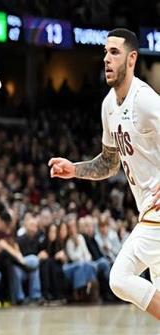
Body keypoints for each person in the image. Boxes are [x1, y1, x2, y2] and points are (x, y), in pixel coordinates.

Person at [49, 28, 160, 318]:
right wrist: (75, 169)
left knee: (120, 278)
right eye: (104, 52)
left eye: (114, 52)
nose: (106, 59)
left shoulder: (145, 100)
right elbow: (110, 163)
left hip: (157, 210)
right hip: (147, 210)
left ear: (132, 59)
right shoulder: (108, 105)